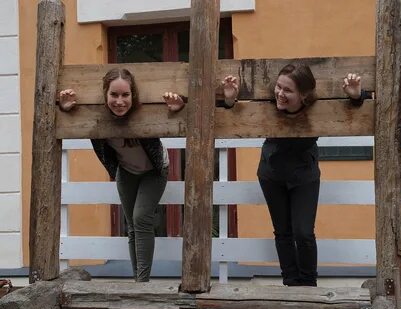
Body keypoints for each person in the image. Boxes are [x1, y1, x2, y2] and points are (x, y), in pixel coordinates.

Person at [221, 64, 369, 287]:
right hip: (271, 172)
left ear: (304, 96)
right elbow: (234, 113)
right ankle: (290, 283)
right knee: (283, 232)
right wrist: (230, 100)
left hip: (304, 174)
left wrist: (357, 96)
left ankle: (308, 285)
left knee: (303, 233)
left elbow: (358, 108)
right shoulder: (269, 104)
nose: (280, 93)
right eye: (279, 87)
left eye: (288, 90)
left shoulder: (317, 108)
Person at [59, 68, 185, 282]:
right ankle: (138, 280)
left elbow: (176, 116)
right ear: (104, 95)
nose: (119, 101)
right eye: (114, 95)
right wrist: (65, 109)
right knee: (132, 225)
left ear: (133, 95)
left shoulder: (143, 113)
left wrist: (178, 109)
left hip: (155, 170)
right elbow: (71, 118)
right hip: (126, 172)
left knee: (141, 218)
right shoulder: (98, 118)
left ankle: (142, 283)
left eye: (125, 95)